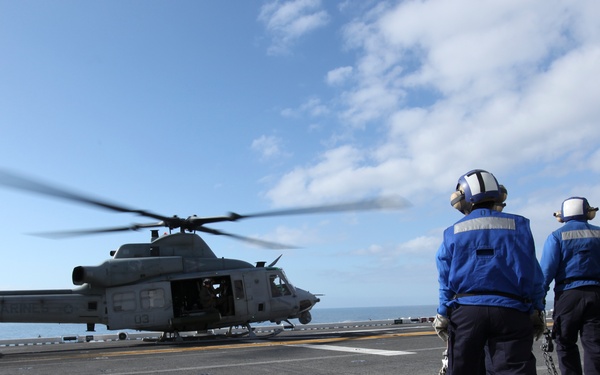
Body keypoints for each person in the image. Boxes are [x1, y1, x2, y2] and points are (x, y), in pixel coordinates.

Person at [434, 169, 545, 375]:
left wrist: (442, 313)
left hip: (467, 313)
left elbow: (445, 279)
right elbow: (532, 273)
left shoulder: (452, 232)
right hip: (511, 311)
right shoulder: (519, 225)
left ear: (465, 198)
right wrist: (537, 308)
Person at [540, 197, 600, 375]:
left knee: (565, 343)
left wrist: (539, 298)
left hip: (568, 296)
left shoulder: (557, 236)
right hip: (596, 295)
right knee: (595, 345)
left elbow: (546, 271)